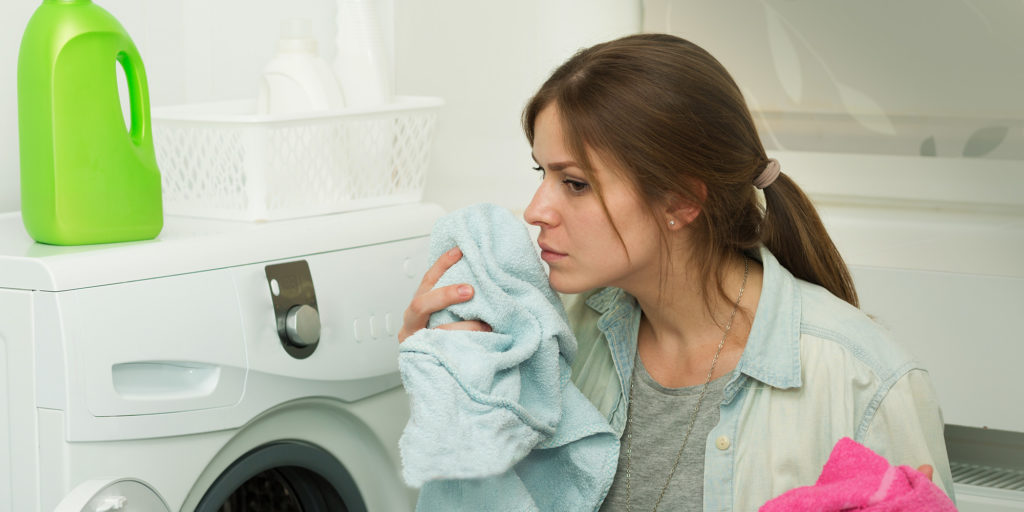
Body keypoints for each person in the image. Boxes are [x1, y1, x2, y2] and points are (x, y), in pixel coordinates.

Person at [398, 33, 954, 511]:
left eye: (575, 183)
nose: (537, 210)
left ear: (681, 201)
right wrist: (448, 386)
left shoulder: (864, 382)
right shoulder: (545, 342)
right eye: (542, 172)